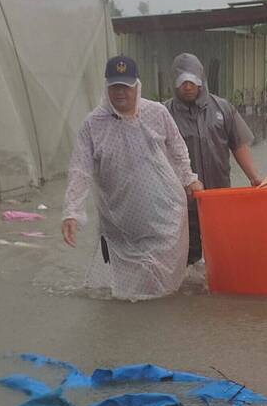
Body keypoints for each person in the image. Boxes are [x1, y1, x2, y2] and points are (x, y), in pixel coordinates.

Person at [61, 55, 203, 301]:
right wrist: (72, 211)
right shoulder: (93, 125)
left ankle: (157, 331)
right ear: (107, 87)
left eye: (125, 86)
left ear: (137, 85)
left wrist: (189, 178)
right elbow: (80, 170)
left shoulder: (156, 113)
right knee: (125, 294)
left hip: (164, 217)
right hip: (119, 223)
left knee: (163, 291)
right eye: (115, 86)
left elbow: (178, 149)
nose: (120, 93)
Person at [164, 53, 261, 265]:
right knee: (186, 262)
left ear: (201, 80)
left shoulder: (222, 108)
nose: (188, 87)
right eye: (182, 82)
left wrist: (254, 177)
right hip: (182, 205)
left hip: (219, 199)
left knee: (223, 255)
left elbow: (238, 144)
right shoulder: (163, 114)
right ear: (174, 83)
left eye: (192, 81)